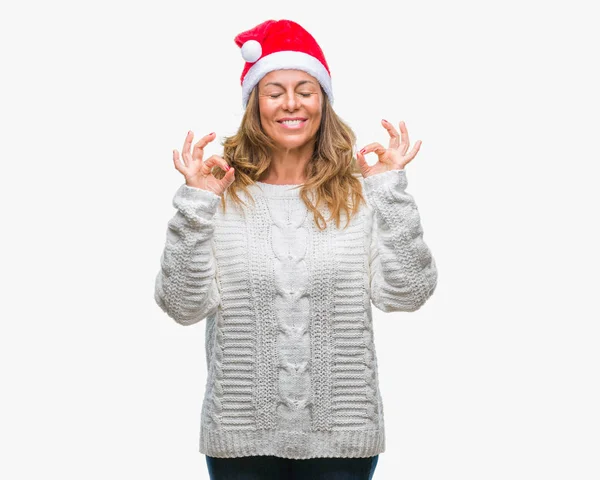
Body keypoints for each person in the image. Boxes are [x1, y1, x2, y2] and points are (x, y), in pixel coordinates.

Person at [154, 18, 438, 480]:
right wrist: (195, 204)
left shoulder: (361, 195)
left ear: (323, 102)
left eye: (305, 89)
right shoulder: (218, 193)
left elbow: (407, 294)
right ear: (254, 104)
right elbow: (181, 306)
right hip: (240, 440)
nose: (291, 103)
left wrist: (391, 191)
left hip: (342, 439)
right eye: (274, 91)